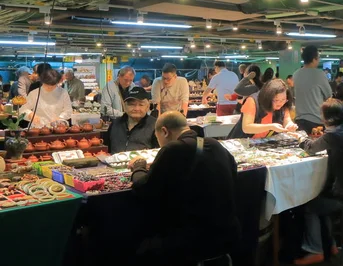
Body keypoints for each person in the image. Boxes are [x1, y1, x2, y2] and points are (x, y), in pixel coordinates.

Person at [129, 112, 240, 265]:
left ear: (164, 131)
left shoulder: (173, 149)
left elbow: (144, 189)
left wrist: (138, 167)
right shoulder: (216, 145)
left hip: (191, 241)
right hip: (227, 233)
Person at [292, 100, 343, 265]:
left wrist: (300, 138)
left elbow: (311, 148)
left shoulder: (333, 135)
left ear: (327, 119)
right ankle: (332, 246)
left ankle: (316, 251)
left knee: (310, 206)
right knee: (323, 201)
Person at [227, 79, 297, 139]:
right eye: (276, 100)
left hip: (260, 144)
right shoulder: (252, 101)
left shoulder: (283, 105)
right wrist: (271, 126)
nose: (280, 103)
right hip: (240, 142)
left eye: (283, 99)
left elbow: (286, 120)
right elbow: (246, 127)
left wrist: (290, 125)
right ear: (268, 98)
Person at [293, 45, 332, 133]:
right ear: (314, 59)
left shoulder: (296, 74)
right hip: (316, 120)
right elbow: (328, 95)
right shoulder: (319, 74)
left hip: (299, 120)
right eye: (318, 57)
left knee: (302, 145)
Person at [107, 87, 158, 153]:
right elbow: (106, 149)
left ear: (147, 106)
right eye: (132, 104)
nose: (136, 108)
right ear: (125, 106)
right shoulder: (115, 124)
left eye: (141, 105)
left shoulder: (155, 125)